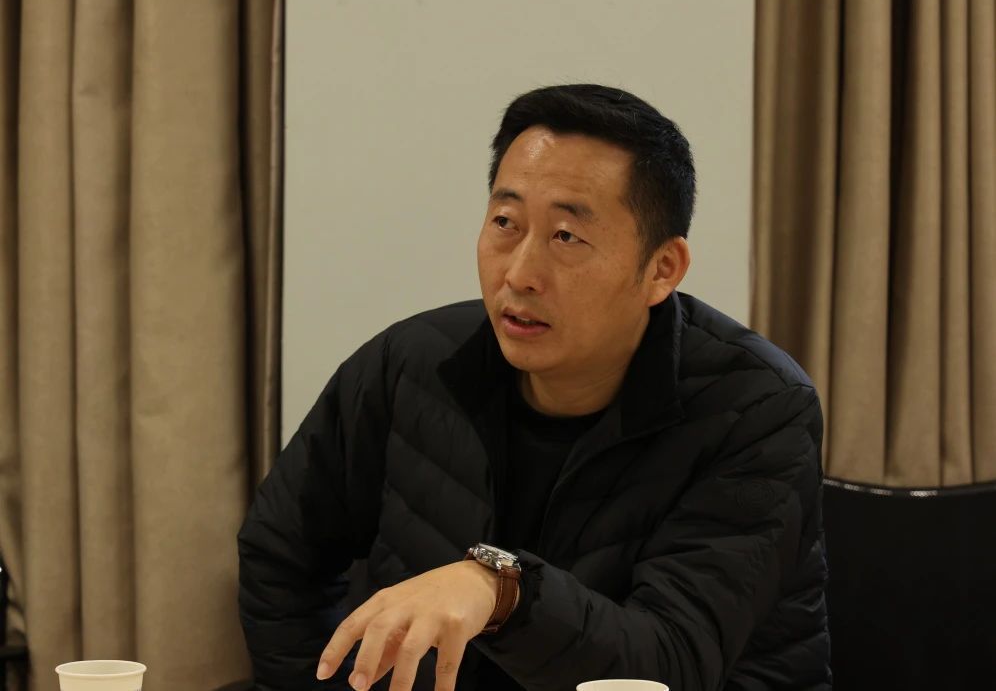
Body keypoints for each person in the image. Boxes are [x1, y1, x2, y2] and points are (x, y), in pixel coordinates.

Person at [238, 84, 831, 691]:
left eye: (566, 236)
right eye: (505, 222)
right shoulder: (409, 363)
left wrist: (503, 592)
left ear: (662, 269)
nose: (519, 274)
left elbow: (669, 662)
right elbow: (280, 555)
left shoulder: (757, 409)